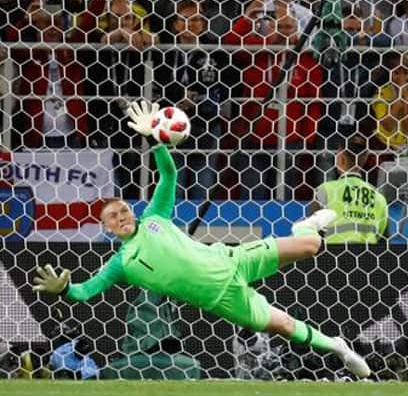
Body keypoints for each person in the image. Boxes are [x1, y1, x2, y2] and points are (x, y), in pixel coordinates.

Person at [31, 101, 371, 379]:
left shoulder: (155, 217)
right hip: (223, 299)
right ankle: (339, 347)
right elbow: (85, 292)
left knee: (310, 245)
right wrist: (64, 290)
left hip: (231, 259)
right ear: (107, 229)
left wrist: (155, 139)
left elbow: (169, 174)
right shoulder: (121, 263)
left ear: (132, 212)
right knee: (282, 324)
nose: (121, 218)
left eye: (123, 211)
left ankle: (306, 227)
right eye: (113, 218)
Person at [311, 136, 389, 244]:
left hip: (332, 256)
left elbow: (313, 231)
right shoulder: (379, 196)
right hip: (368, 256)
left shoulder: (325, 190)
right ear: (365, 158)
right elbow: (384, 239)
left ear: (341, 158)